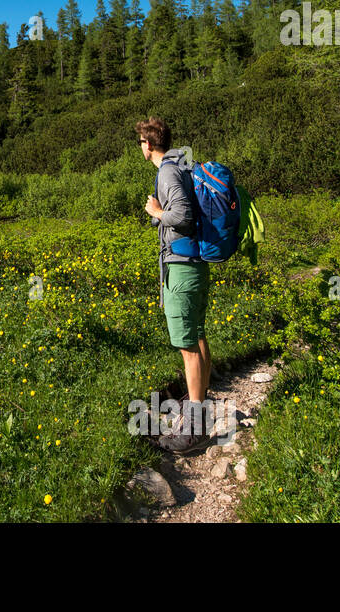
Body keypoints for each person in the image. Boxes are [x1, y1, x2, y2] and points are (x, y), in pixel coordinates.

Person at [136, 117, 213, 454]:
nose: (141, 146)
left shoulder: (167, 172)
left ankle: (194, 430)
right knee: (197, 336)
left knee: (188, 347)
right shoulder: (182, 166)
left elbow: (182, 216)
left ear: (148, 144)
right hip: (194, 266)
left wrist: (156, 211)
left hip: (181, 270)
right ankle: (200, 407)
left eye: (141, 141)